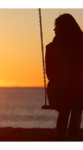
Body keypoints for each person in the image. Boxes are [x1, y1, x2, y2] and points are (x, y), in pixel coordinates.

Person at [46, 14, 83, 142]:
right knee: (76, 109)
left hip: (58, 92)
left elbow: (49, 73)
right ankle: (72, 137)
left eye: (55, 28)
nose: (55, 30)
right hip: (74, 91)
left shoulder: (51, 47)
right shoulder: (80, 45)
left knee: (65, 109)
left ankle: (60, 137)